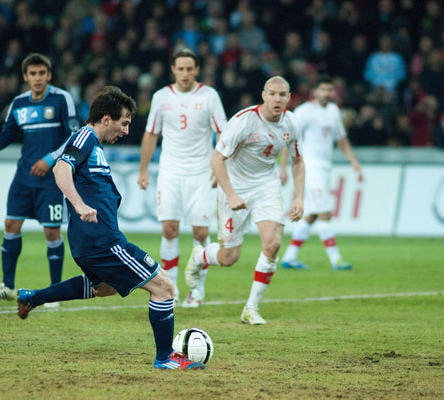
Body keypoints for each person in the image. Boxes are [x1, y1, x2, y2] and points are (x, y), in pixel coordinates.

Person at [16, 86, 205, 370]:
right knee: (164, 286)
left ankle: (34, 297)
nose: (127, 131)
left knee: (104, 288)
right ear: (106, 119)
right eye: (124, 123)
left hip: (90, 241)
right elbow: (60, 169)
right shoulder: (85, 137)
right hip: (102, 240)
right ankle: (165, 358)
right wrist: (79, 204)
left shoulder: (94, 145)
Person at [184, 76, 306, 325]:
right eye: (273, 94)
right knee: (230, 258)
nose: (278, 99)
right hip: (235, 187)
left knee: (272, 245)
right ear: (263, 95)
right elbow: (216, 159)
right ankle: (200, 256)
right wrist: (231, 194)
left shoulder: (291, 123)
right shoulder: (244, 121)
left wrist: (299, 197)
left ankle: (251, 308)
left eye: (283, 95)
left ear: (288, 98)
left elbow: (298, 160)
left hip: (267, 186)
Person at [0, 53, 80, 304]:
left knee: (51, 232)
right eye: (32, 74)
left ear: (49, 75)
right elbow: (6, 136)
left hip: (52, 178)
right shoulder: (19, 104)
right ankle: (8, 285)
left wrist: (49, 159)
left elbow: (74, 136)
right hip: (23, 177)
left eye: (41, 73)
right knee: (11, 225)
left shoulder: (61, 99)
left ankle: (55, 291)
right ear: (25, 77)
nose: (37, 78)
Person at [138, 48, 227, 308]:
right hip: (170, 172)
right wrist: (144, 169)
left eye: (190, 68)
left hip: (200, 173)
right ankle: (171, 289)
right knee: (169, 230)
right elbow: (151, 134)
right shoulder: (161, 97)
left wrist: (217, 165)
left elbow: (222, 132)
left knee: (200, 233)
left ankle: (197, 291)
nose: (185, 73)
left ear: (197, 70)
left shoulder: (209, 96)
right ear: (173, 70)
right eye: (181, 68)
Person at [280, 75, 361, 271]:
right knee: (323, 210)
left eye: (330, 90)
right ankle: (336, 259)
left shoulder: (334, 111)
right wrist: (283, 167)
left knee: (312, 213)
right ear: (314, 91)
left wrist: (353, 160)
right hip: (310, 167)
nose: (327, 93)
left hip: (325, 166)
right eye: (323, 89)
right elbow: (288, 139)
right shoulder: (304, 112)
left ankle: (290, 257)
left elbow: (340, 139)